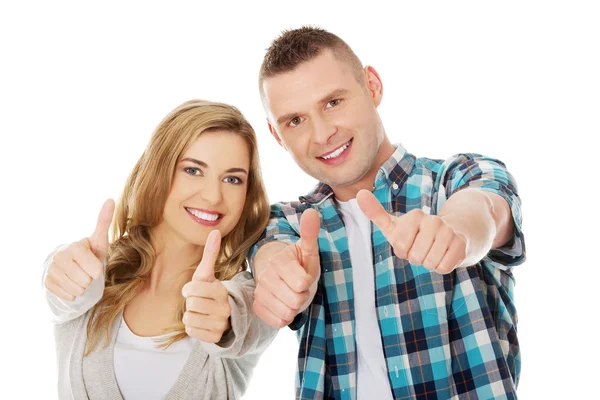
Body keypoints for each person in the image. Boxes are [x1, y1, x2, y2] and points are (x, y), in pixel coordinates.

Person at [250, 26, 525, 399]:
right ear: (276, 134)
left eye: (333, 102)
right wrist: (277, 273)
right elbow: (269, 250)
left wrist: (457, 232)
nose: (322, 133)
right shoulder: (285, 223)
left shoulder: (458, 178)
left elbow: (485, 209)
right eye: (295, 121)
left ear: (372, 86)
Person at [43, 100, 278, 399]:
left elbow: (248, 320)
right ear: (159, 170)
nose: (212, 195)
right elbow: (58, 290)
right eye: (193, 170)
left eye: (232, 179)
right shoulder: (90, 272)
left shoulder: (245, 296)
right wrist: (59, 274)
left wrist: (227, 319)